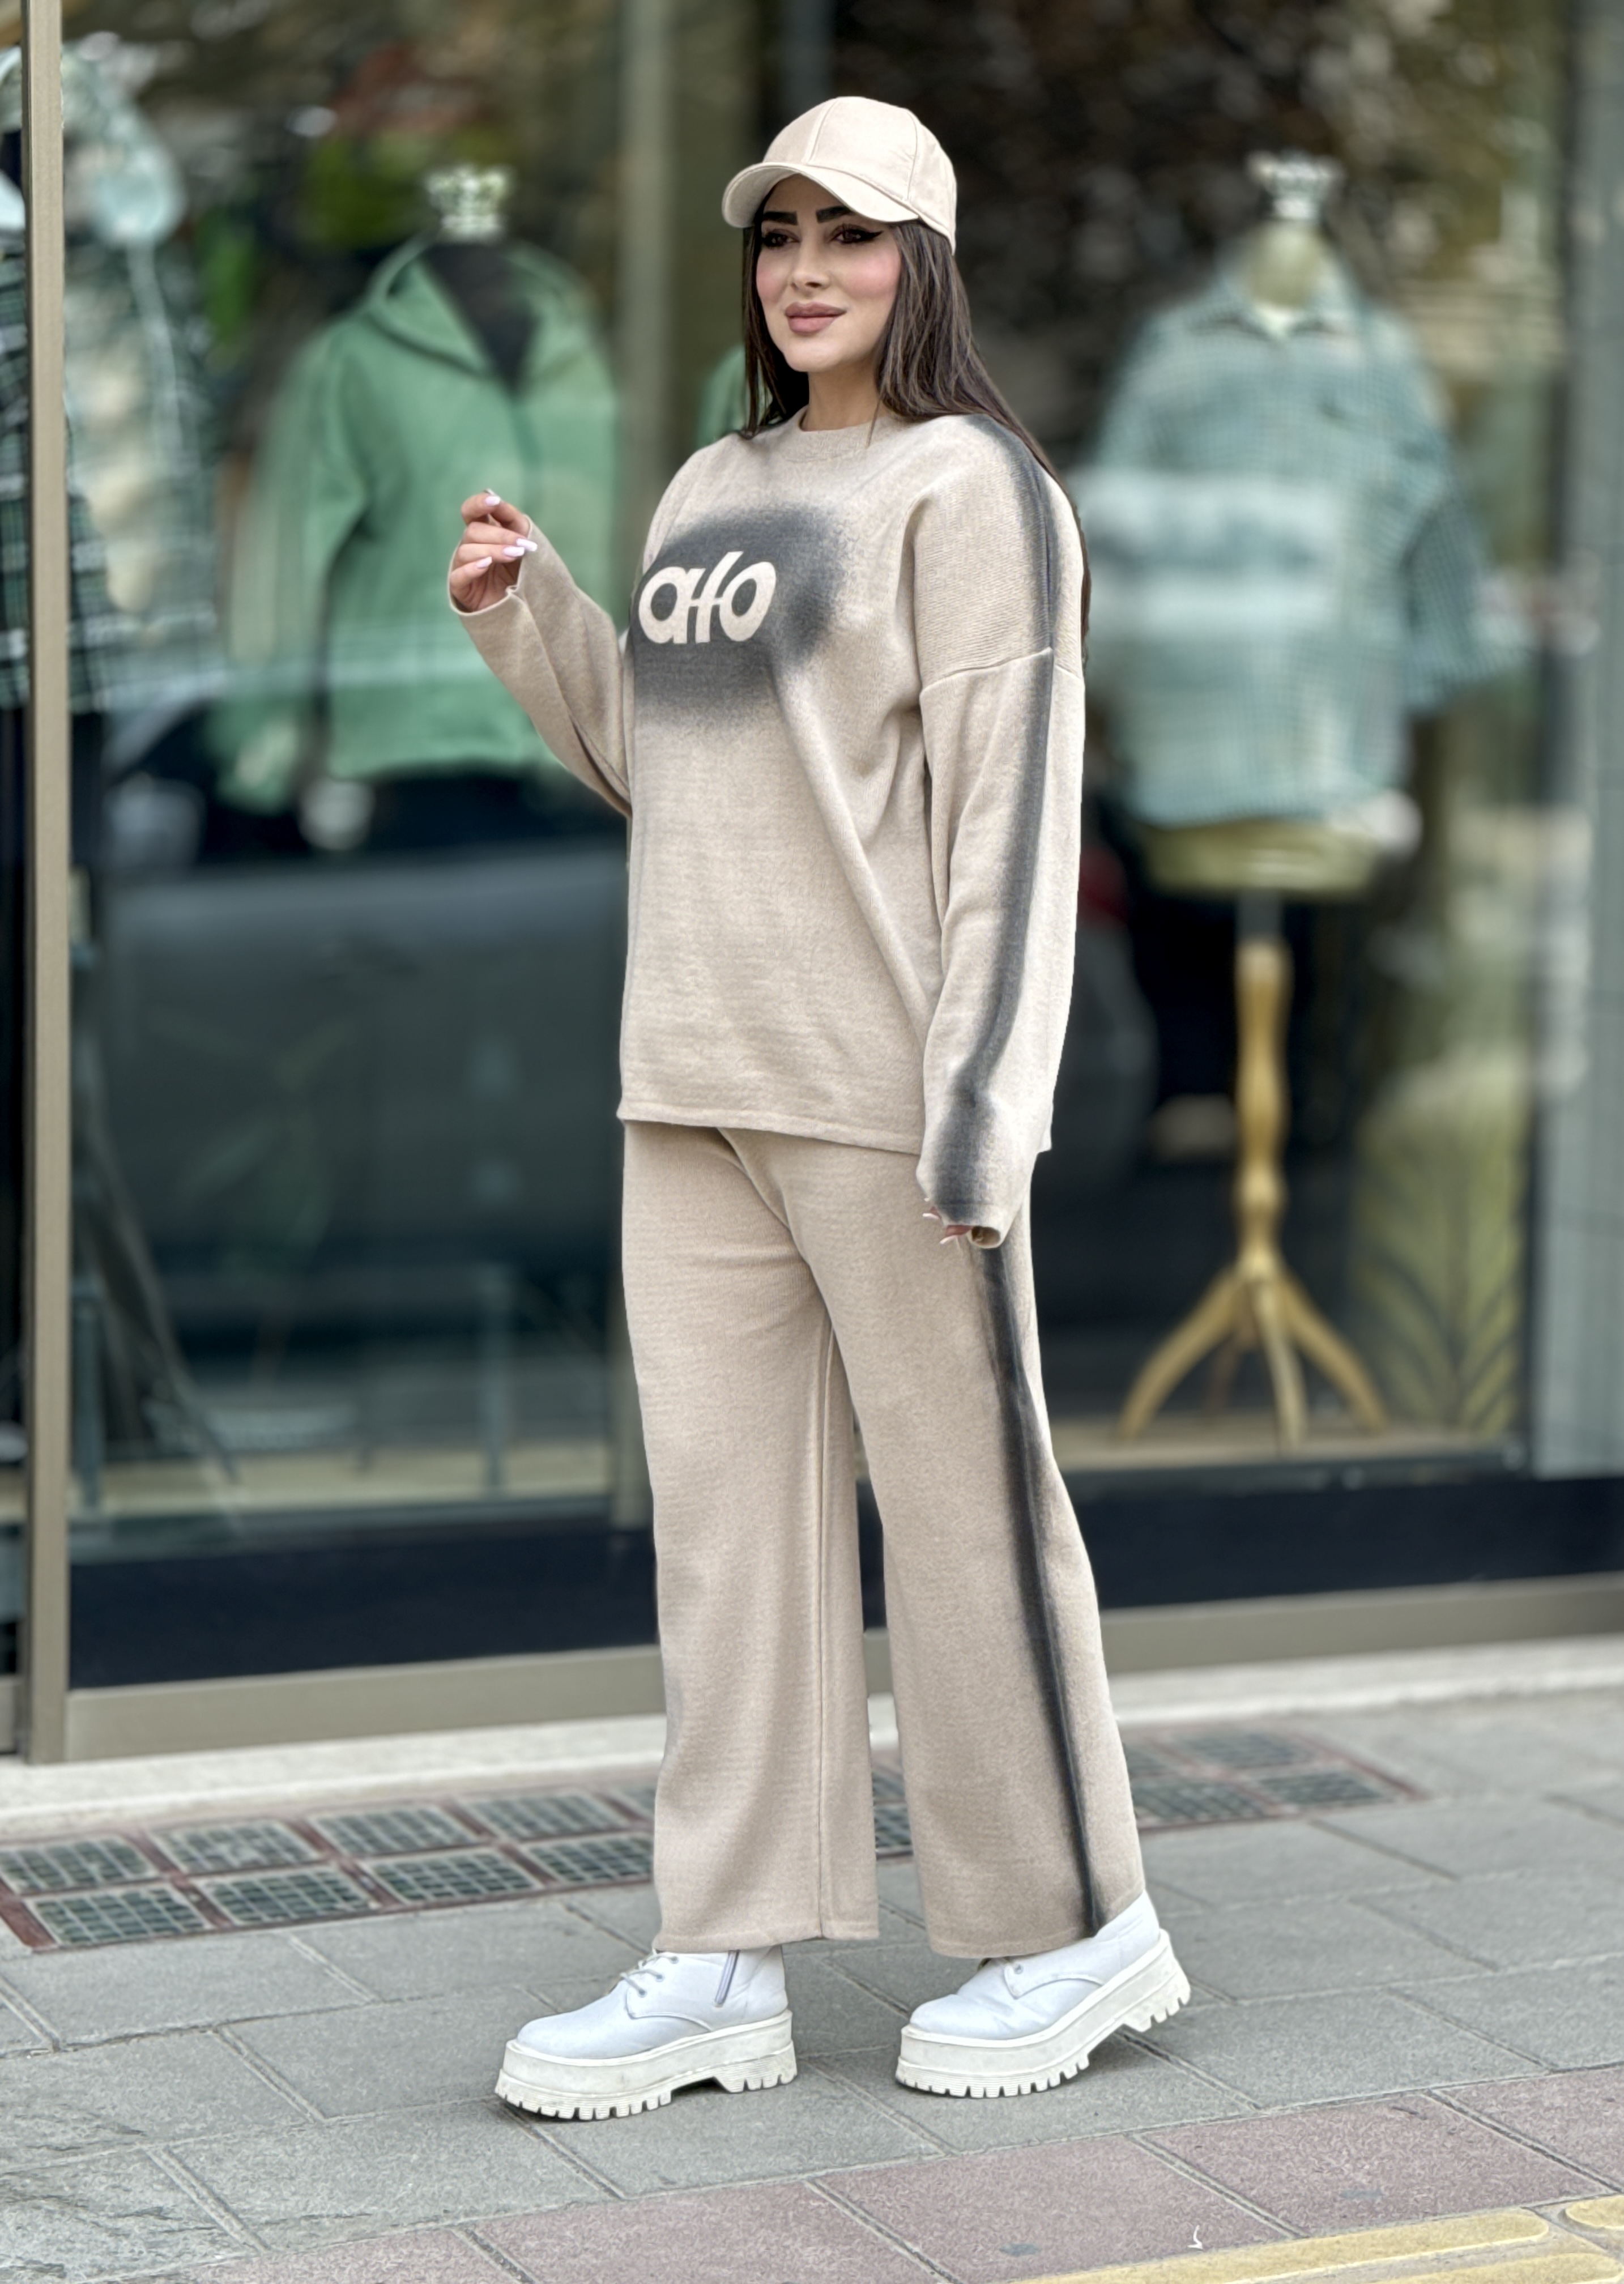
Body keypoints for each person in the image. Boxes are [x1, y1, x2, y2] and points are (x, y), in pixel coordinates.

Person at [449, 95, 1187, 2121]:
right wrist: (537, 617)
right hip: (690, 1084)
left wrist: (985, 1104)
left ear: (917, 261)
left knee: (965, 1530)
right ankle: (722, 1957)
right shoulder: (713, 482)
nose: (803, 272)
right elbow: (666, 763)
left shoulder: (977, 492)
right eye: (777, 236)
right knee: (728, 1550)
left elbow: (1012, 824)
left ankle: (1077, 1929)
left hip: (886, 1102)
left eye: (846, 236)